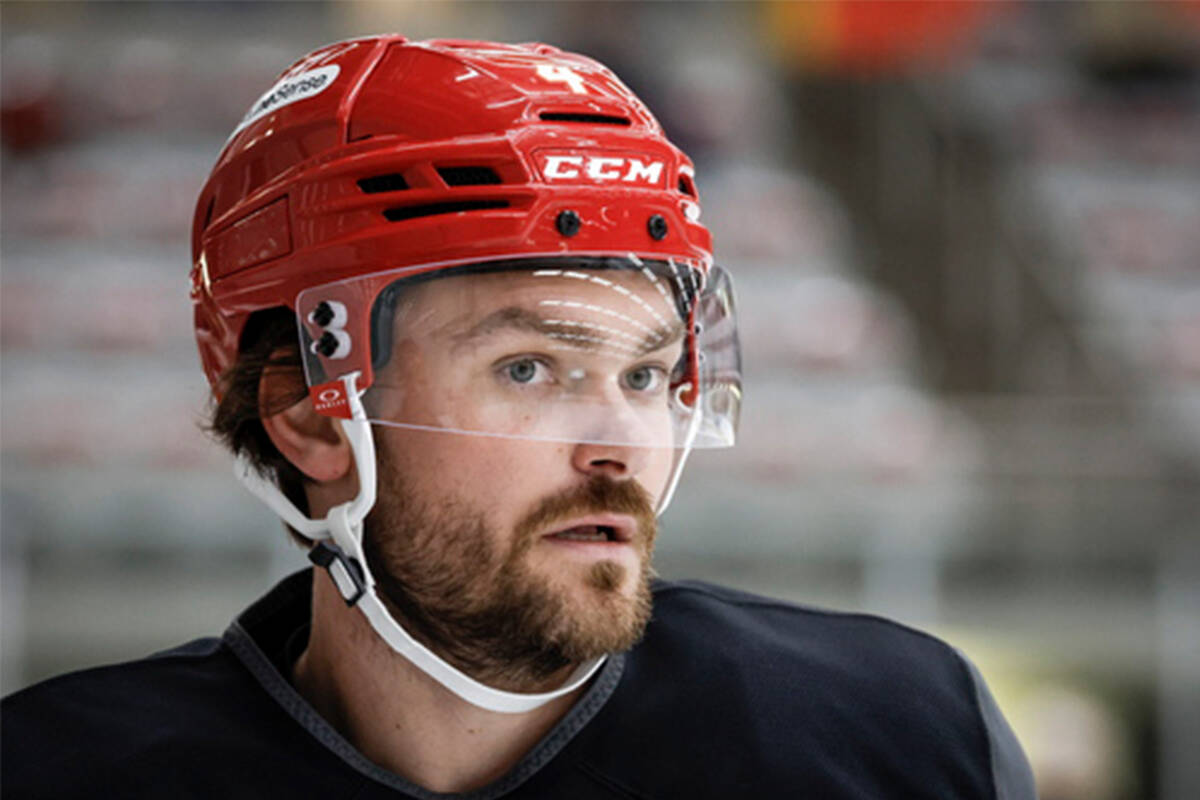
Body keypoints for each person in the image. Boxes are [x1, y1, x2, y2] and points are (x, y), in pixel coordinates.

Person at [1, 35, 1036, 799]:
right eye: (531, 367)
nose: (620, 442)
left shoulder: (900, 733)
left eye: (645, 374)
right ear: (311, 413)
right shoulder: (61, 769)